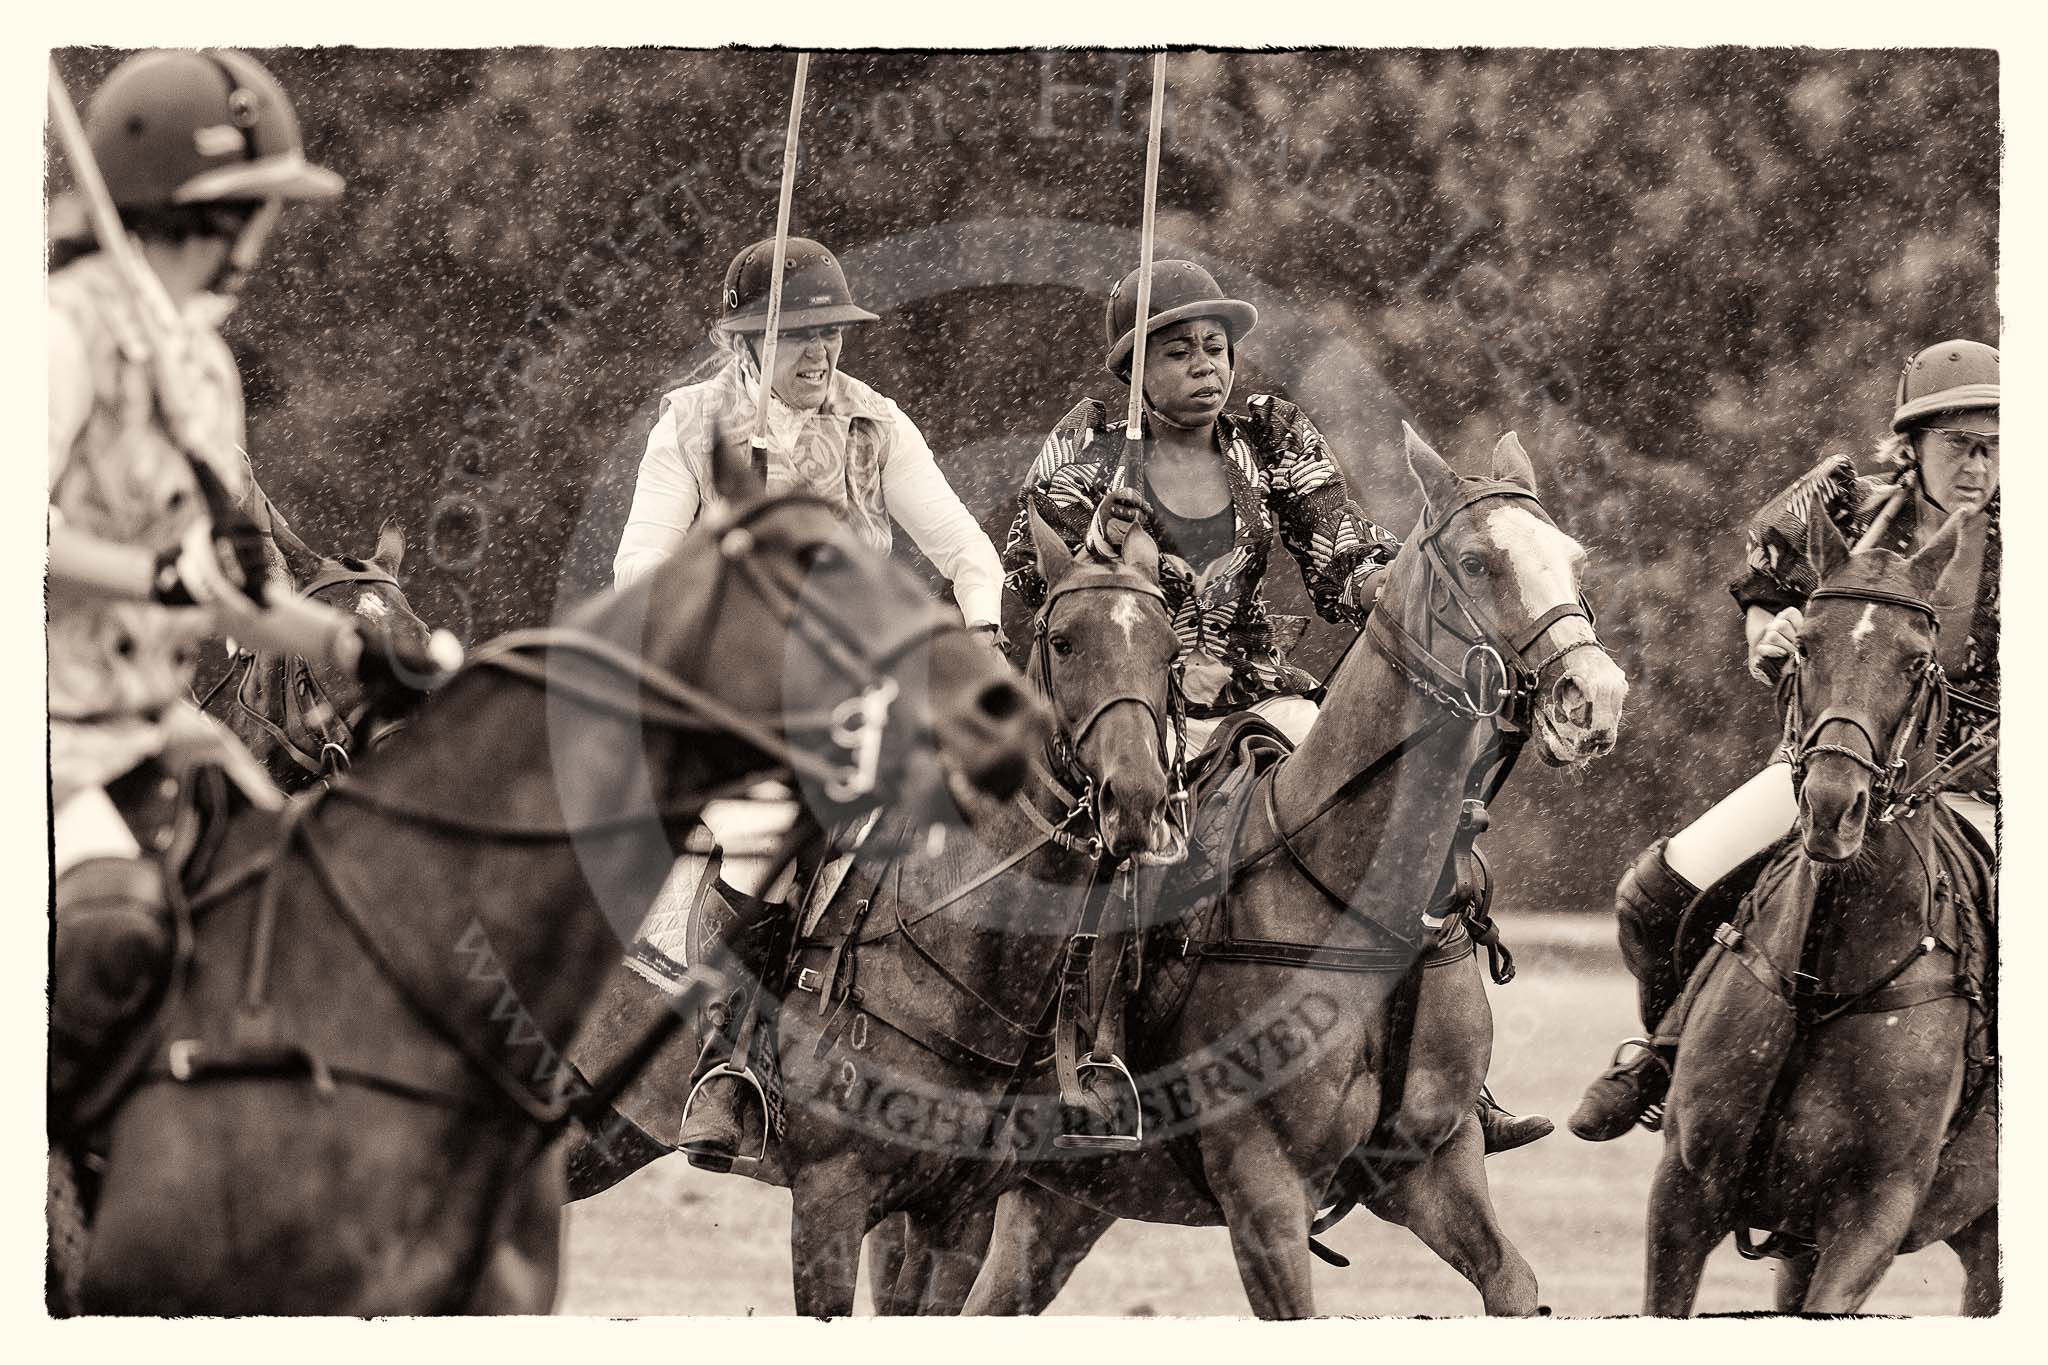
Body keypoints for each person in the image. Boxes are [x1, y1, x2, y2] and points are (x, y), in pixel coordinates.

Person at [1006, 257, 1551, 1154]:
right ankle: (1095, 1052)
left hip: (1263, 691)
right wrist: (1097, 537)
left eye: (1215, 348)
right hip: (1131, 705)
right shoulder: (1092, 445)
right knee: (1129, 837)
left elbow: (1335, 538)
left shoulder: (1271, 432)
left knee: (1405, 819)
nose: (1205, 366)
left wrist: (1379, 575)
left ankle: (1450, 1075)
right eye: (1177, 351)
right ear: (1134, 368)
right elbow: (1035, 578)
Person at [48, 49, 443, 1115]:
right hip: (39, 725)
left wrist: (354, 649)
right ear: (208, 211)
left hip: (144, 727)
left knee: (301, 906)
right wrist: (153, 576)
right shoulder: (56, 332)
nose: (267, 231)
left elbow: (235, 587)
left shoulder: (200, 364)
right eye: (260, 204)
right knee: (107, 929)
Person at [615, 235, 1008, 1168]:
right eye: (799, 334)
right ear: (744, 340)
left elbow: (968, 553)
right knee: (766, 830)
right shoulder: (691, 426)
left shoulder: (877, 424)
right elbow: (637, 566)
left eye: (832, 333)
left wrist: (985, 638)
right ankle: (724, 1063)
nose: (822, 354)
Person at [1570, 339, 2000, 1142]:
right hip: (1833, 769)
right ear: (1912, 445)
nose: (1978, 465)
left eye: (1995, 446)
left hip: (1979, 790)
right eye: (1959, 444)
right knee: (1652, 896)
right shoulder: (1843, 511)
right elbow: (1767, 594)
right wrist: (1769, 632)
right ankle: (1667, 1055)